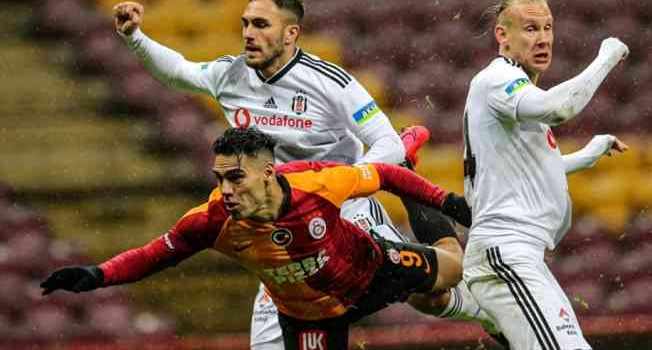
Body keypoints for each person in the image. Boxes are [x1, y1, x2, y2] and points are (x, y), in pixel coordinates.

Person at [112, 0, 484, 349]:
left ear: (291, 33)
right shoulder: (230, 75)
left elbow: (385, 142)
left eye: (260, 25)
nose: (248, 34)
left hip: (343, 211)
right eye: (245, 23)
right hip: (276, 223)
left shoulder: (330, 81)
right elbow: (178, 72)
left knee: (428, 297)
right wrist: (135, 37)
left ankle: (488, 311)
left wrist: (346, 181)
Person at [41, 127, 465, 350]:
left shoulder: (316, 184)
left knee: (450, 274)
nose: (226, 190)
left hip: (371, 266)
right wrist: (97, 275)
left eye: (236, 178)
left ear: (267, 173)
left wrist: (446, 200)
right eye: (220, 179)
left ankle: (409, 160)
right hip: (310, 317)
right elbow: (155, 255)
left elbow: (384, 175)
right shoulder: (210, 221)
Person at [461, 0, 629, 350]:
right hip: (506, 252)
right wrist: (607, 56)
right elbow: (559, 109)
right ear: (502, 36)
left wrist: (586, 155)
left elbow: (523, 171)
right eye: (531, 28)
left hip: (521, 255)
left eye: (549, 28)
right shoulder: (497, 79)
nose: (544, 39)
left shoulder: (514, 89)